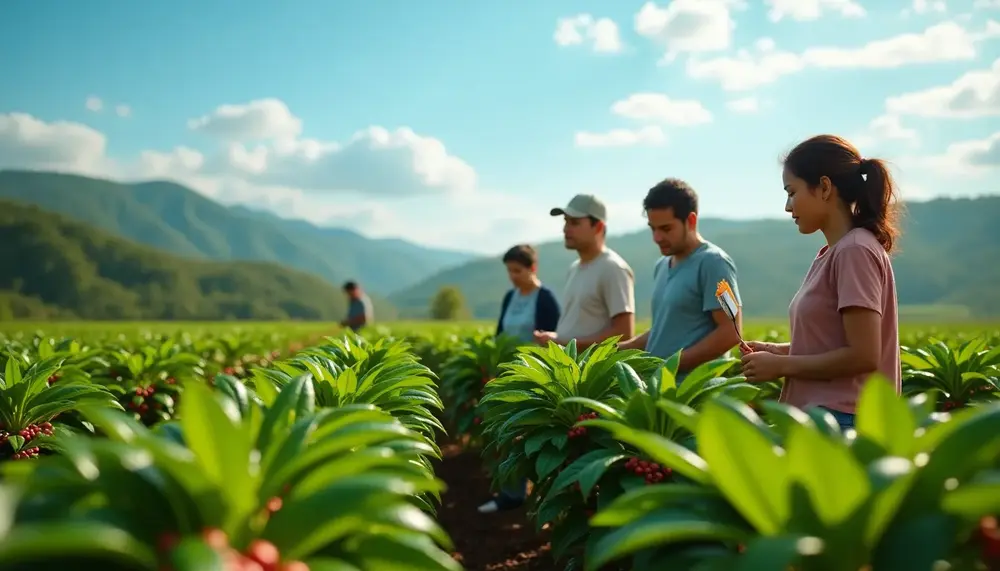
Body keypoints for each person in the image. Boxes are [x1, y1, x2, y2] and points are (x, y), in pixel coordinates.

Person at [740, 134, 902, 430]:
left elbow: (863, 355)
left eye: (792, 191)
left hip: (842, 420)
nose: (788, 206)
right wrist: (778, 350)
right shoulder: (834, 252)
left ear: (825, 187)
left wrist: (781, 366)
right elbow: (833, 343)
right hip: (826, 417)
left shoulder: (854, 251)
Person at [618, 178, 744, 378]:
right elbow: (664, 329)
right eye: (653, 228)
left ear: (691, 221)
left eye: (666, 229)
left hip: (693, 394)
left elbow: (730, 333)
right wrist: (619, 350)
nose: (657, 237)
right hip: (659, 391)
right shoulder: (661, 266)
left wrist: (670, 366)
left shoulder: (714, 263)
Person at [477, 244, 561, 515]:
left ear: (532, 268)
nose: (513, 276)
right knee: (508, 436)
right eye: (509, 271)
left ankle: (543, 498)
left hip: (533, 379)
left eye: (518, 270)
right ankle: (511, 495)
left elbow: (555, 341)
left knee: (533, 437)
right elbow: (499, 334)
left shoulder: (545, 298)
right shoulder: (509, 297)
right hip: (507, 377)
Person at [533, 194, 635, 350]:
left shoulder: (613, 268)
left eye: (574, 222)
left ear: (598, 227)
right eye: (566, 221)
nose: (566, 229)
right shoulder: (574, 268)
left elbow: (624, 333)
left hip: (591, 373)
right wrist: (557, 339)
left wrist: (565, 345)